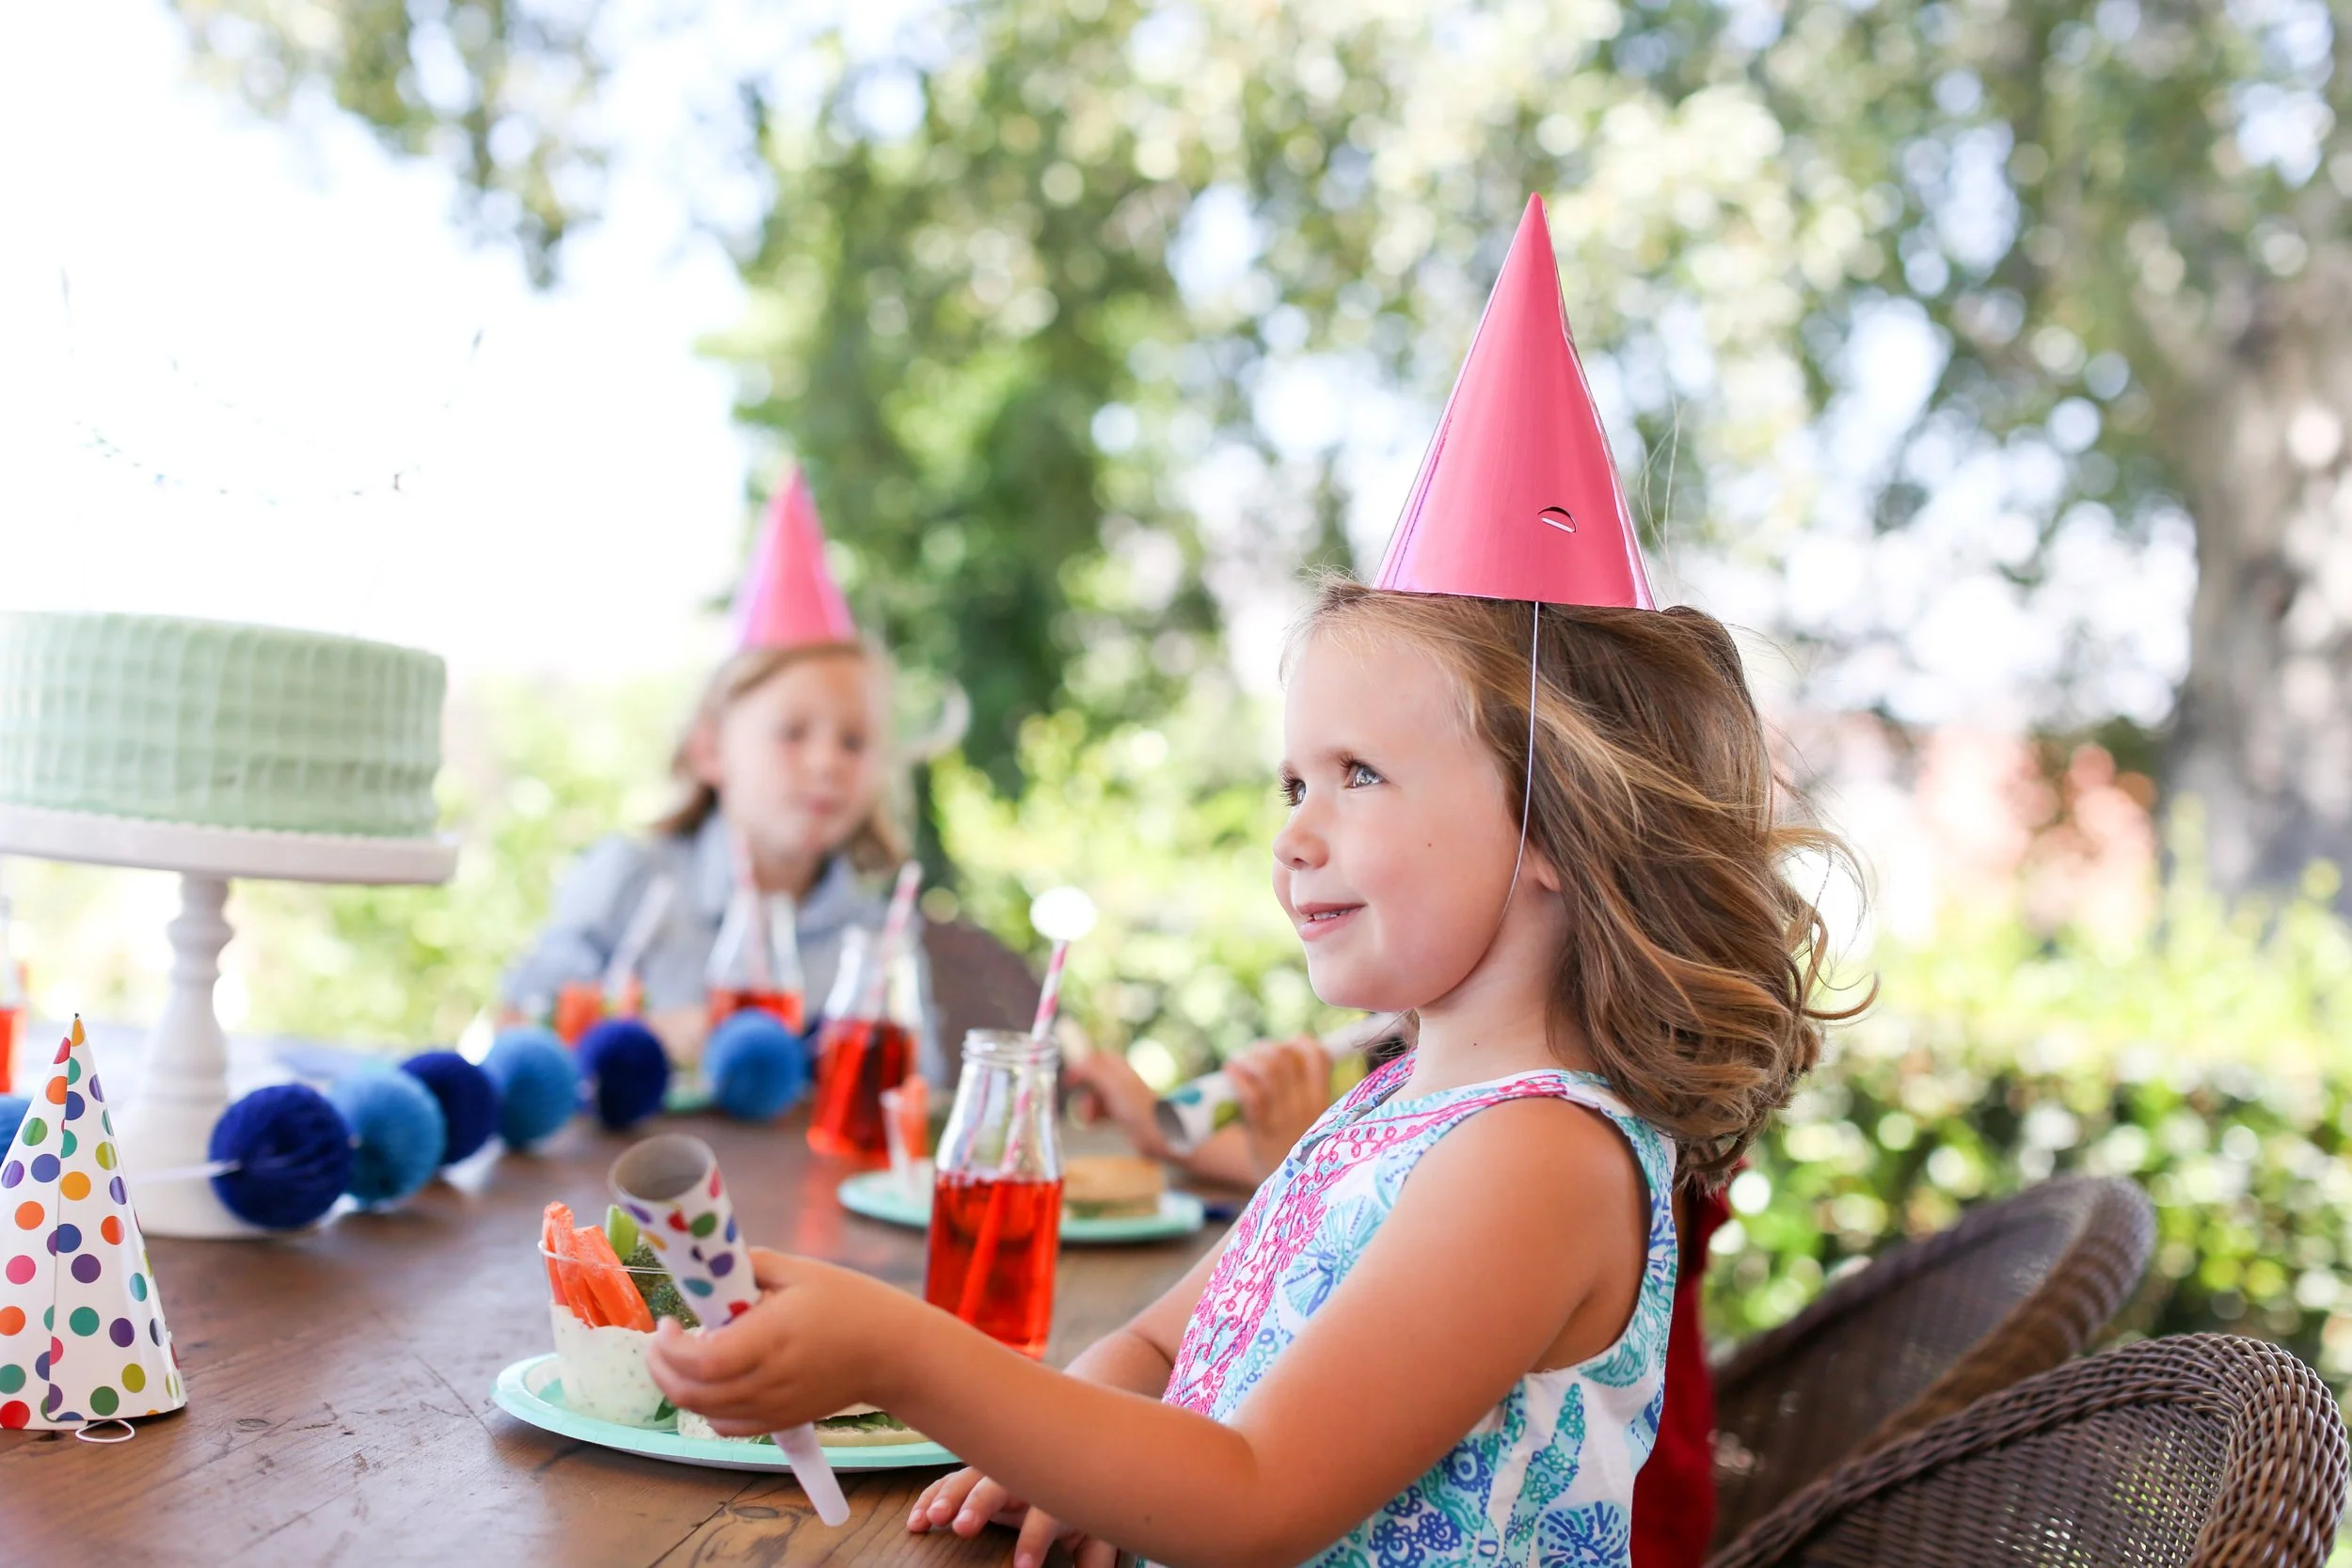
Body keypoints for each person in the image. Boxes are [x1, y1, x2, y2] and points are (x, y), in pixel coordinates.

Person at [643, 196, 1857, 1567]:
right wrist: (1062, 1444)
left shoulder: (1539, 1162)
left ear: (1554, 825)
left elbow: (1254, 1494)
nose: (1294, 832)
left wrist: (901, 1352)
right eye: (1292, 783)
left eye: (1357, 774)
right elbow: (1164, 1345)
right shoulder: (1393, 1111)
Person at [501, 467, 941, 1079]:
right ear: (711, 750)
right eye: (792, 733)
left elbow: (917, 1091)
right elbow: (517, 1029)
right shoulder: (631, 878)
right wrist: (643, 1038)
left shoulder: (876, 934)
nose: (827, 762)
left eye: (854, 741)